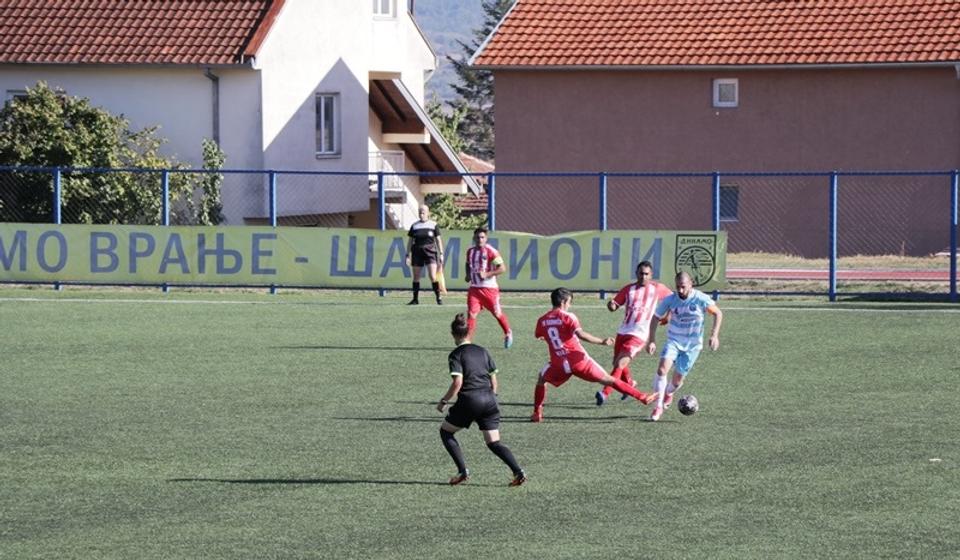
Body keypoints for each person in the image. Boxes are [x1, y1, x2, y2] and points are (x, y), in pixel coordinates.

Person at [530, 288, 655, 423]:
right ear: (563, 302)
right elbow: (581, 334)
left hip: (558, 364)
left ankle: (537, 413)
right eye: (569, 302)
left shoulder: (542, 320)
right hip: (578, 360)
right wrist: (602, 341)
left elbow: (539, 335)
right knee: (610, 380)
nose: (569, 305)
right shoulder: (568, 317)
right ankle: (642, 397)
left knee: (541, 380)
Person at [437, 313, 526, 486]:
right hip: (490, 400)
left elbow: (458, 382)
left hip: (470, 400)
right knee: (494, 442)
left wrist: (444, 401)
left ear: (453, 334)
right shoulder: (482, 351)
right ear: (470, 332)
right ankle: (518, 471)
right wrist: (493, 397)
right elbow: (493, 379)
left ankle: (463, 471)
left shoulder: (455, 355)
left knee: (446, 432)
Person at [645, 271, 723, 422]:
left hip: (692, 346)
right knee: (662, 370)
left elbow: (718, 313)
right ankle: (658, 406)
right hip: (673, 341)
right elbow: (655, 318)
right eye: (677, 287)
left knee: (676, 382)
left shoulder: (700, 299)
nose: (680, 291)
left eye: (683, 287)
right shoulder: (670, 300)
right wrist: (652, 340)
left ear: (690, 284)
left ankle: (668, 393)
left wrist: (714, 335)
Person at [595, 261, 673, 406]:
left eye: (646, 274)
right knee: (617, 363)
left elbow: (673, 299)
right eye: (641, 273)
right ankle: (629, 383)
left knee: (620, 363)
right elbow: (614, 306)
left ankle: (604, 393)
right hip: (623, 331)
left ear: (651, 275)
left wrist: (668, 315)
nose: (643, 276)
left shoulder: (657, 288)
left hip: (640, 334)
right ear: (636, 274)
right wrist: (611, 305)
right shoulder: (628, 289)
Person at [465, 227, 513, 348]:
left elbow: (502, 268)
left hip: (489, 289)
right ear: (474, 238)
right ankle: (467, 341)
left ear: (486, 239)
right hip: (474, 289)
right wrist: (467, 275)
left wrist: (487, 274)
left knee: (497, 313)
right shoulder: (470, 251)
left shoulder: (491, 251)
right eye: (477, 237)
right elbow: (467, 264)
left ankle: (508, 333)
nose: (479, 239)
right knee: (471, 314)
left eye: (482, 237)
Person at [405, 205, 444, 305]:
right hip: (417, 252)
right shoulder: (414, 226)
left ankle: (438, 297)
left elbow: (438, 240)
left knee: (432, 276)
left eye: (423, 212)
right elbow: (410, 241)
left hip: (430, 252)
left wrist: (441, 253)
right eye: (420, 212)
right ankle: (415, 299)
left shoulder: (433, 224)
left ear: (428, 213)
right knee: (416, 276)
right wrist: (407, 254)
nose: (421, 215)